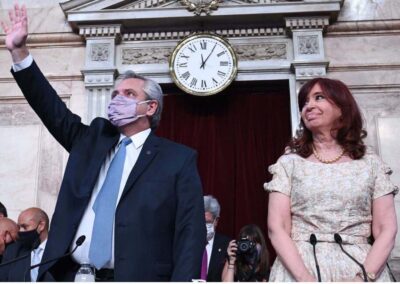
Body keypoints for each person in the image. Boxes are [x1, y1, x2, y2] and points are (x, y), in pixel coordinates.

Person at [1, 3, 206, 281]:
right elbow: (51, 109)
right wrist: (18, 52)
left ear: (150, 107)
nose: (118, 98)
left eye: (129, 94)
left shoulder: (177, 159)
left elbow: (189, 231)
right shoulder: (92, 141)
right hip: (73, 274)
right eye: (115, 93)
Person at [265, 77, 398, 282]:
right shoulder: (289, 163)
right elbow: (277, 227)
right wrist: (305, 279)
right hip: (299, 268)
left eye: (318, 98)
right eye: (305, 102)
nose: (309, 106)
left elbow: (386, 229)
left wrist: (362, 278)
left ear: (342, 108)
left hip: (361, 267)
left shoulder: (372, 164)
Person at [0, 208, 49, 282]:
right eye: (19, 227)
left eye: (25, 227)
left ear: (41, 225)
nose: (20, 231)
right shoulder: (13, 251)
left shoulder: (62, 250)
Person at [202, 195, 230, 282]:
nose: (204, 226)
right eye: (202, 222)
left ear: (216, 221)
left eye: (208, 222)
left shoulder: (226, 245)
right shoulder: (189, 243)